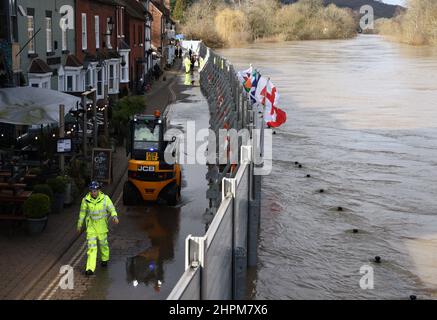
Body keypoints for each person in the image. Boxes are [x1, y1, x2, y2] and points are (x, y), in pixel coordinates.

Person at [77, 181, 119, 276]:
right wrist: (79, 225)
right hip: (91, 227)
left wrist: (114, 216)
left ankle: (104, 259)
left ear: (99, 190)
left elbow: (111, 208)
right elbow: (82, 213)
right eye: (91, 190)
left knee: (103, 244)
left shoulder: (105, 199)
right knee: (91, 248)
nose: (93, 193)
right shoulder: (85, 200)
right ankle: (90, 269)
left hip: (102, 226)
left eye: (95, 191)